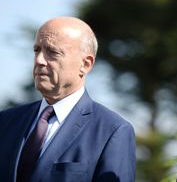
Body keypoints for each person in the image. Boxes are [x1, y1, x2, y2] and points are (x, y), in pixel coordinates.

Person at [0, 17, 136, 182]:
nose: (39, 60)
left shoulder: (112, 131)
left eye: (52, 52)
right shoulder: (6, 121)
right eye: (37, 50)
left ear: (85, 64)